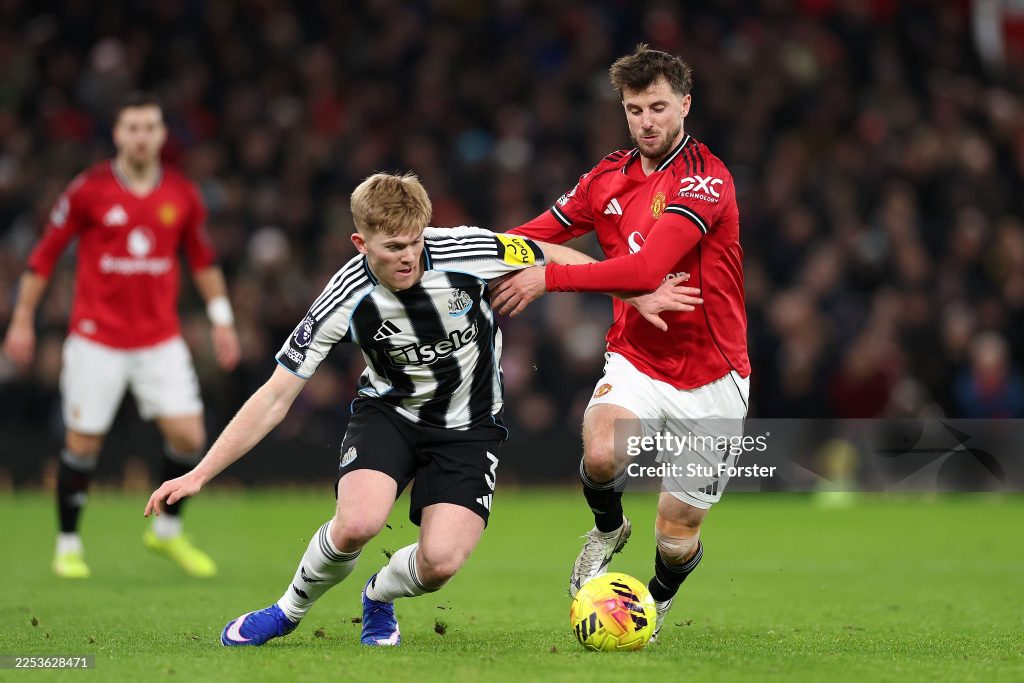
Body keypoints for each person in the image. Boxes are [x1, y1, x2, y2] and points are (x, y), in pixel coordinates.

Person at [143, 172, 683, 647]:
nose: (409, 256)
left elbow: (551, 253)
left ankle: (378, 596)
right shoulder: (343, 297)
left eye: (416, 241)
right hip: (389, 416)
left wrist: (632, 293)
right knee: (356, 524)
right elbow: (274, 397)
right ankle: (287, 611)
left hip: (471, 428)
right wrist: (200, 473)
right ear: (361, 243)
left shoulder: (466, 249)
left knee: (439, 563)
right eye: (394, 246)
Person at [491, 44, 751, 641]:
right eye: (635, 110)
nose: (646, 122)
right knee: (603, 451)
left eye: (658, 107)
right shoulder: (606, 177)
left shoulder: (706, 179)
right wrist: (450, 251)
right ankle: (608, 529)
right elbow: (531, 234)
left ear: (685, 105)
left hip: (713, 376)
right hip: (638, 358)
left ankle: (654, 600)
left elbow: (645, 270)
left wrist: (548, 278)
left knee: (677, 535)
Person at [2, 92, 240, 579]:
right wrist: (22, 317)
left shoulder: (181, 193)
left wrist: (222, 319)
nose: (141, 137)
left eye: (149, 127)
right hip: (97, 339)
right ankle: (68, 545)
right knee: (82, 445)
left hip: (159, 339)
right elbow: (44, 255)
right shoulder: (88, 190)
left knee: (189, 436)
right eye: (132, 128)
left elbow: (203, 260)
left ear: (162, 134)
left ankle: (167, 532)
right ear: (116, 134)